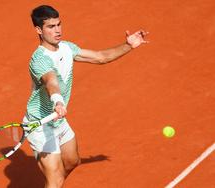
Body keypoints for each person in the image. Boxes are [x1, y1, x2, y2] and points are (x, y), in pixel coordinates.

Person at [23, 5, 148, 188]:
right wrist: (57, 101)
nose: (57, 30)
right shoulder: (40, 59)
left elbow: (100, 57)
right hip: (40, 125)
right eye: (51, 27)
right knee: (55, 179)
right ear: (39, 30)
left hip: (58, 119)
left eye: (58, 24)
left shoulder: (67, 48)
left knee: (73, 161)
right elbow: (51, 81)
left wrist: (129, 46)